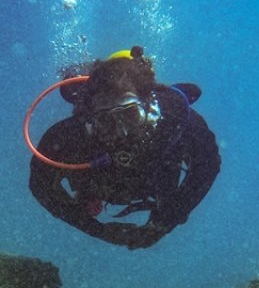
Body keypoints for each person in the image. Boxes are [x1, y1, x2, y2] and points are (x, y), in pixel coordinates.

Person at [26, 46, 221, 249]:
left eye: (130, 115)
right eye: (106, 121)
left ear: (148, 105)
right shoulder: (71, 135)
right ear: (91, 118)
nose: (122, 132)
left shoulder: (174, 119)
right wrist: (96, 229)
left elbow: (208, 166)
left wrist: (164, 223)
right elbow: (41, 185)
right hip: (101, 187)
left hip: (157, 184)